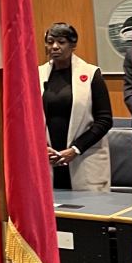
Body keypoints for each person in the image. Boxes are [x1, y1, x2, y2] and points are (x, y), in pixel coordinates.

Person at [39, 22, 112, 191]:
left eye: (61, 42)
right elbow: (28, 120)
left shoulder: (92, 73)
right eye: (50, 42)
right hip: (47, 160)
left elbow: (104, 120)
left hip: (84, 158)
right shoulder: (37, 75)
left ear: (73, 45)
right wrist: (41, 148)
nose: (55, 47)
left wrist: (75, 149)